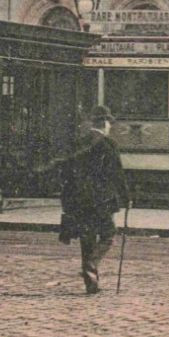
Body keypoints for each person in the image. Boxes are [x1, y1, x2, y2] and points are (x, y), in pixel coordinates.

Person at [58, 105, 127, 295]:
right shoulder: (108, 144)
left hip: (79, 201)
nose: (109, 127)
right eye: (109, 123)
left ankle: (91, 285)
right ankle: (92, 263)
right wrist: (126, 197)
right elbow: (117, 174)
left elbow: (65, 173)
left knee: (86, 240)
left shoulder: (78, 143)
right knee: (108, 234)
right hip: (101, 201)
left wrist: (67, 200)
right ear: (104, 123)